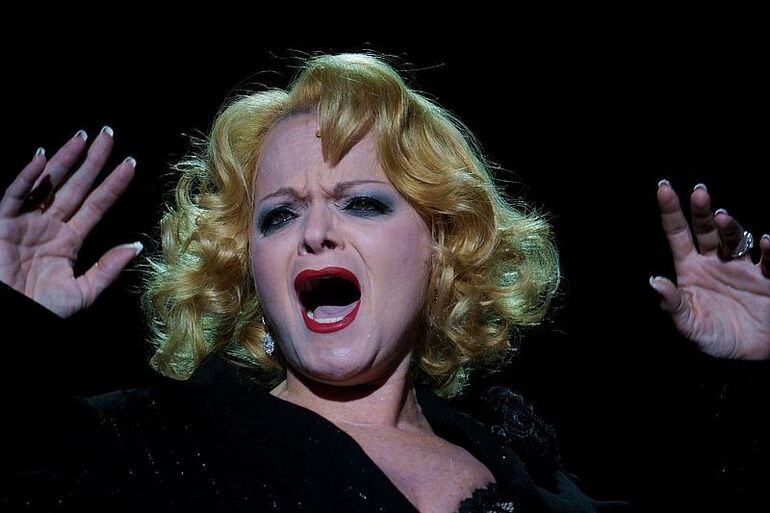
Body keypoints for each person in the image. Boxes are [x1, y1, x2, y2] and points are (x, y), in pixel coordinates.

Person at [0, 52, 768, 512]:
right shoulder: (139, 448)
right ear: (248, 268)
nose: (315, 231)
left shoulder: (535, 472)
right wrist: (12, 322)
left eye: (362, 202)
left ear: (441, 245)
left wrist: (751, 373)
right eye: (278, 214)